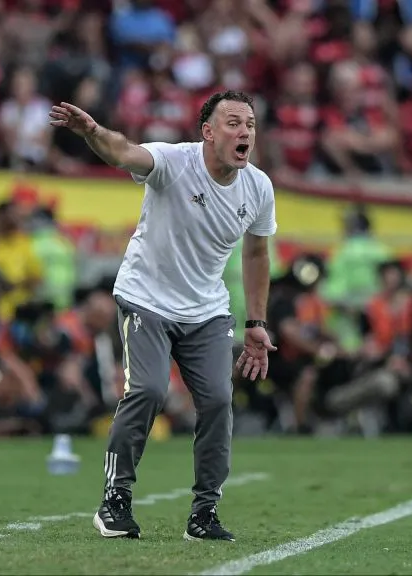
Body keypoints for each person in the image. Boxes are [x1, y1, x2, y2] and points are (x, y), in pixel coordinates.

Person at [49, 90, 278, 542]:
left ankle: (204, 513)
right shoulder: (174, 162)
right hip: (146, 299)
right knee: (149, 390)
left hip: (207, 310)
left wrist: (256, 323)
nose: (244, 131)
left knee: (216, 401)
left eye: (250, 123)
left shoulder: (259, 187)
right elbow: (122, 152)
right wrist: (93, 132)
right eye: (233, 122)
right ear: (208, 133)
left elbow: (256, 253)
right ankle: (114, 499)